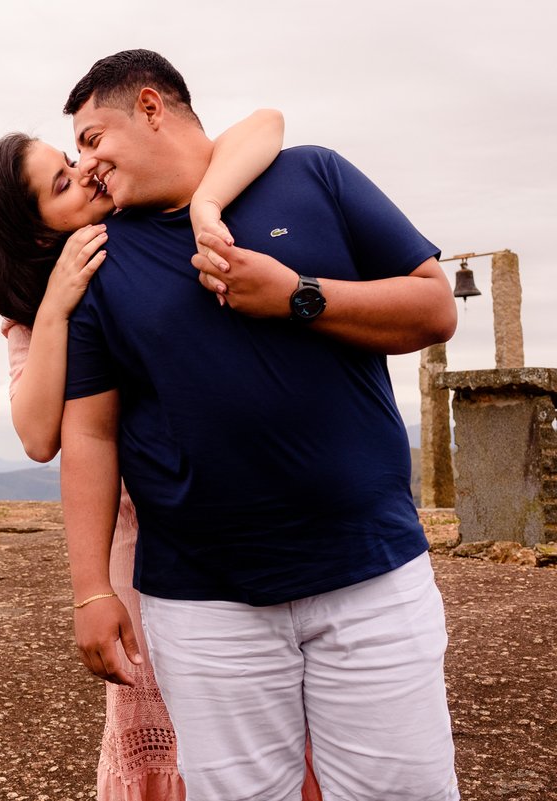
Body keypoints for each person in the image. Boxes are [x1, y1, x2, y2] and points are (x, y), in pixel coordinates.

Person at [58, 49, 460, 801]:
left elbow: (435, 309)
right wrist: (90, 589)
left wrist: (297, 295)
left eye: (91, 137)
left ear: (151, 107)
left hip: (372, 574)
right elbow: (90, 432)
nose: (85, 166)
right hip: (203, 603)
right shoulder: (101, 256)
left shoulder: (312, 175)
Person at [0, 113, 322, 800]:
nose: (87, 174)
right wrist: (59, 307)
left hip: (233, 511)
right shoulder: (39, 310)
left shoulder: (148, 212)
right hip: (138, 538)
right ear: (39, 234)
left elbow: (265, 126)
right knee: (165, 718)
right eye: (64, 183)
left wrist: (209, 202)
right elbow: (39, 435)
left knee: (264, 721)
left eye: (73, 158)